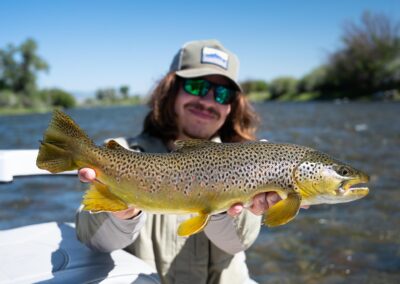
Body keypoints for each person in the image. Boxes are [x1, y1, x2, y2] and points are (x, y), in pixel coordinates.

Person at [75, 39, 282, 284]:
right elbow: (92, 239)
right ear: (170, 89)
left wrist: (223, 199)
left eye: (222, 93)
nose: (207, 101)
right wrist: (122, 212)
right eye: (196, 86)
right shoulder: (121, 154)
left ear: (232, 107)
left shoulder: (249, 164)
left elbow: (237, 242)